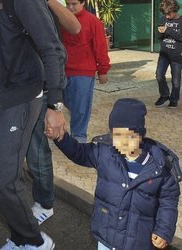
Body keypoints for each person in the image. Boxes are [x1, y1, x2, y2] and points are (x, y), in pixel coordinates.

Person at [0, 0, 67, 249]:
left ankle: (33, 240)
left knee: (1, 179)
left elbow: (52, 48)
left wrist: (55, 104)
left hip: (21, 97)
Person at [46, 98, 180, 250]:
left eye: (127, 136)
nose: (120, 142)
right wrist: (61, 138)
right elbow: (79, 153)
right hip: (107, 235)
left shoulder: (160, 166)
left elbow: (169, 201)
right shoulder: (104, 152)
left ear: (140, 135)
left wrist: (164, 230)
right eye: (115, 135)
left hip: (138, 242)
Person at [27, 0, 81, 225]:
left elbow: (75, 27)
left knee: (36, 148)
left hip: (43, 84)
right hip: (17, 85)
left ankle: (45, 202)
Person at [61, 0, 110, 143]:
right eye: (68, 4)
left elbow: (100, 47)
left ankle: (79, 137)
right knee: (68, 102)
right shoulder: (61, 19)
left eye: (74, 4)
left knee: (81, 106)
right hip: (63, 70)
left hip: (83, 71)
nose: (70, 7)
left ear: (83, 3)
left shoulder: (93, 21)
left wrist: (103, 70)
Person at [155, 0, 182, 108]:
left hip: (177, 55)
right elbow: (159, 36)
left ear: (175, 10)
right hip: (164, 54)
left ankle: (174, 99)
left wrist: (168, 30)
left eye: (169, 13)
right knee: (159, 75)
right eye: (165, 14)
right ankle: (164, 95)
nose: (167, 16)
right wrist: (160, 33)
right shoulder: (163, 19)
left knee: (175, 80)